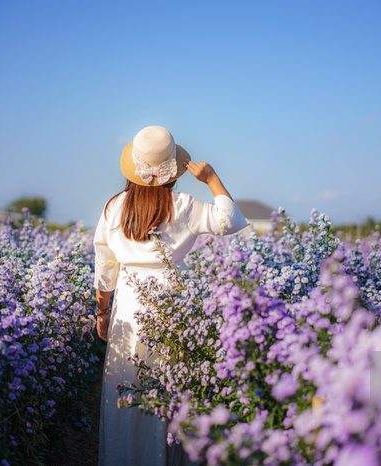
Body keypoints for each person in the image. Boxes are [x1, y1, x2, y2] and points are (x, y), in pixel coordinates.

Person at [94, 126, 248, 465]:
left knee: (126, 383)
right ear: (174, 169)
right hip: (171, 302)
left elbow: (105, 269)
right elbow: (231, 221)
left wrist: (102, 313)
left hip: (129, 305)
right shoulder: (185, 205)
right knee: (169, 386)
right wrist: (211, 178)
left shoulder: (113, 208)